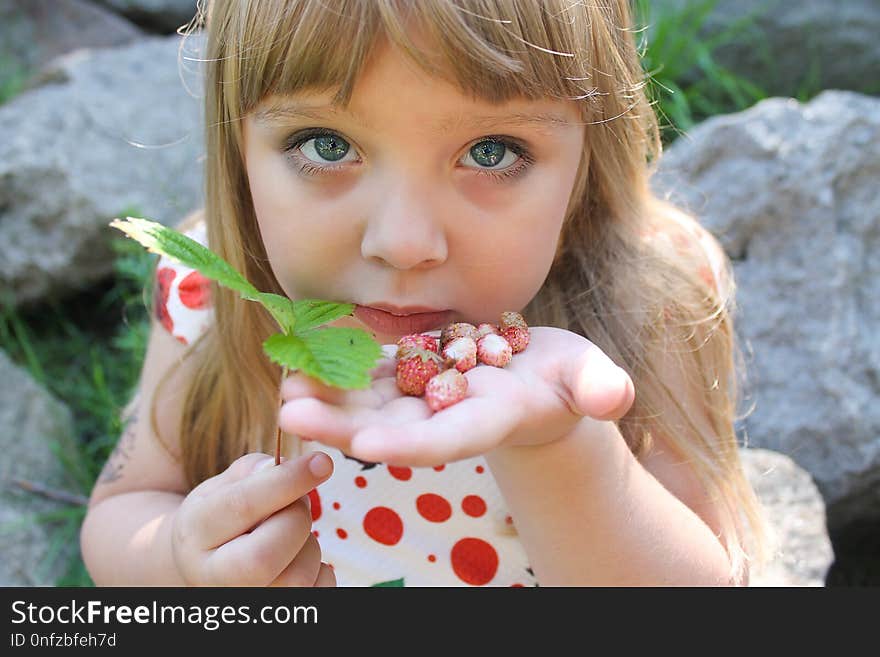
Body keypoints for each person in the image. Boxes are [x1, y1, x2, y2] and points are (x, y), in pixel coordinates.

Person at [80, 0, 770, 587]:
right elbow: (125, 506)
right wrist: (178, 561)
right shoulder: (213, 296)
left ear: (590, 159)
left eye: (492, 151)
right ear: (239, 155)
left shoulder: (648, 299)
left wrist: (561, 449)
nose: (404, 242)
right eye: (324, 144)